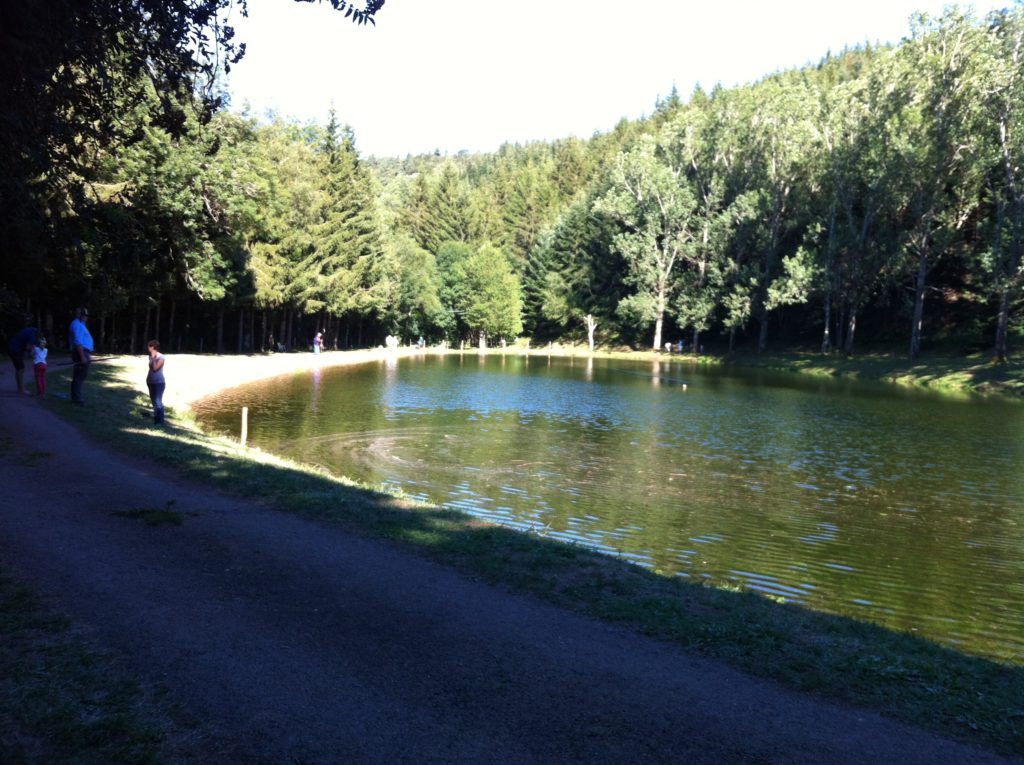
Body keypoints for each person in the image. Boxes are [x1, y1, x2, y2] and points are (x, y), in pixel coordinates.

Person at [68, 307, 94, 405]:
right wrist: (82, 356)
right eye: (85, 315)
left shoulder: (80, 324)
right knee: (79, 376)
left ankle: (76, 398)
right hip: (81, 352)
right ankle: (77, 400)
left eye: (86, 316)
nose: (86, 318)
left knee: (80, 376)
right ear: (80, 315)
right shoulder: (76, 325)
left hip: (84, 352)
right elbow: (78, 342)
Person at [6, 322, 38, 394]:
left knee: (19, 368)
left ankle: (19, 388)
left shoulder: (29, 330)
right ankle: (21, 389)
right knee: (21, 368)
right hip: (14, 349)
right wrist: (33, 352)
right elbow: (28, 347)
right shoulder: (33, 334)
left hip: (11, 347)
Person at [146, 340, 166, 425]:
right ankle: (156, 419)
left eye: (149, 346)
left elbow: (155, 368)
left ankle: (160, 422)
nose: (148, 348)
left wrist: (153, 358)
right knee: (154, 401)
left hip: (159, 382)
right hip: (150, 382)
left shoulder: (161, 357)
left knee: (158, 402)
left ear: (152, 347)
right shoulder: (150, 356)